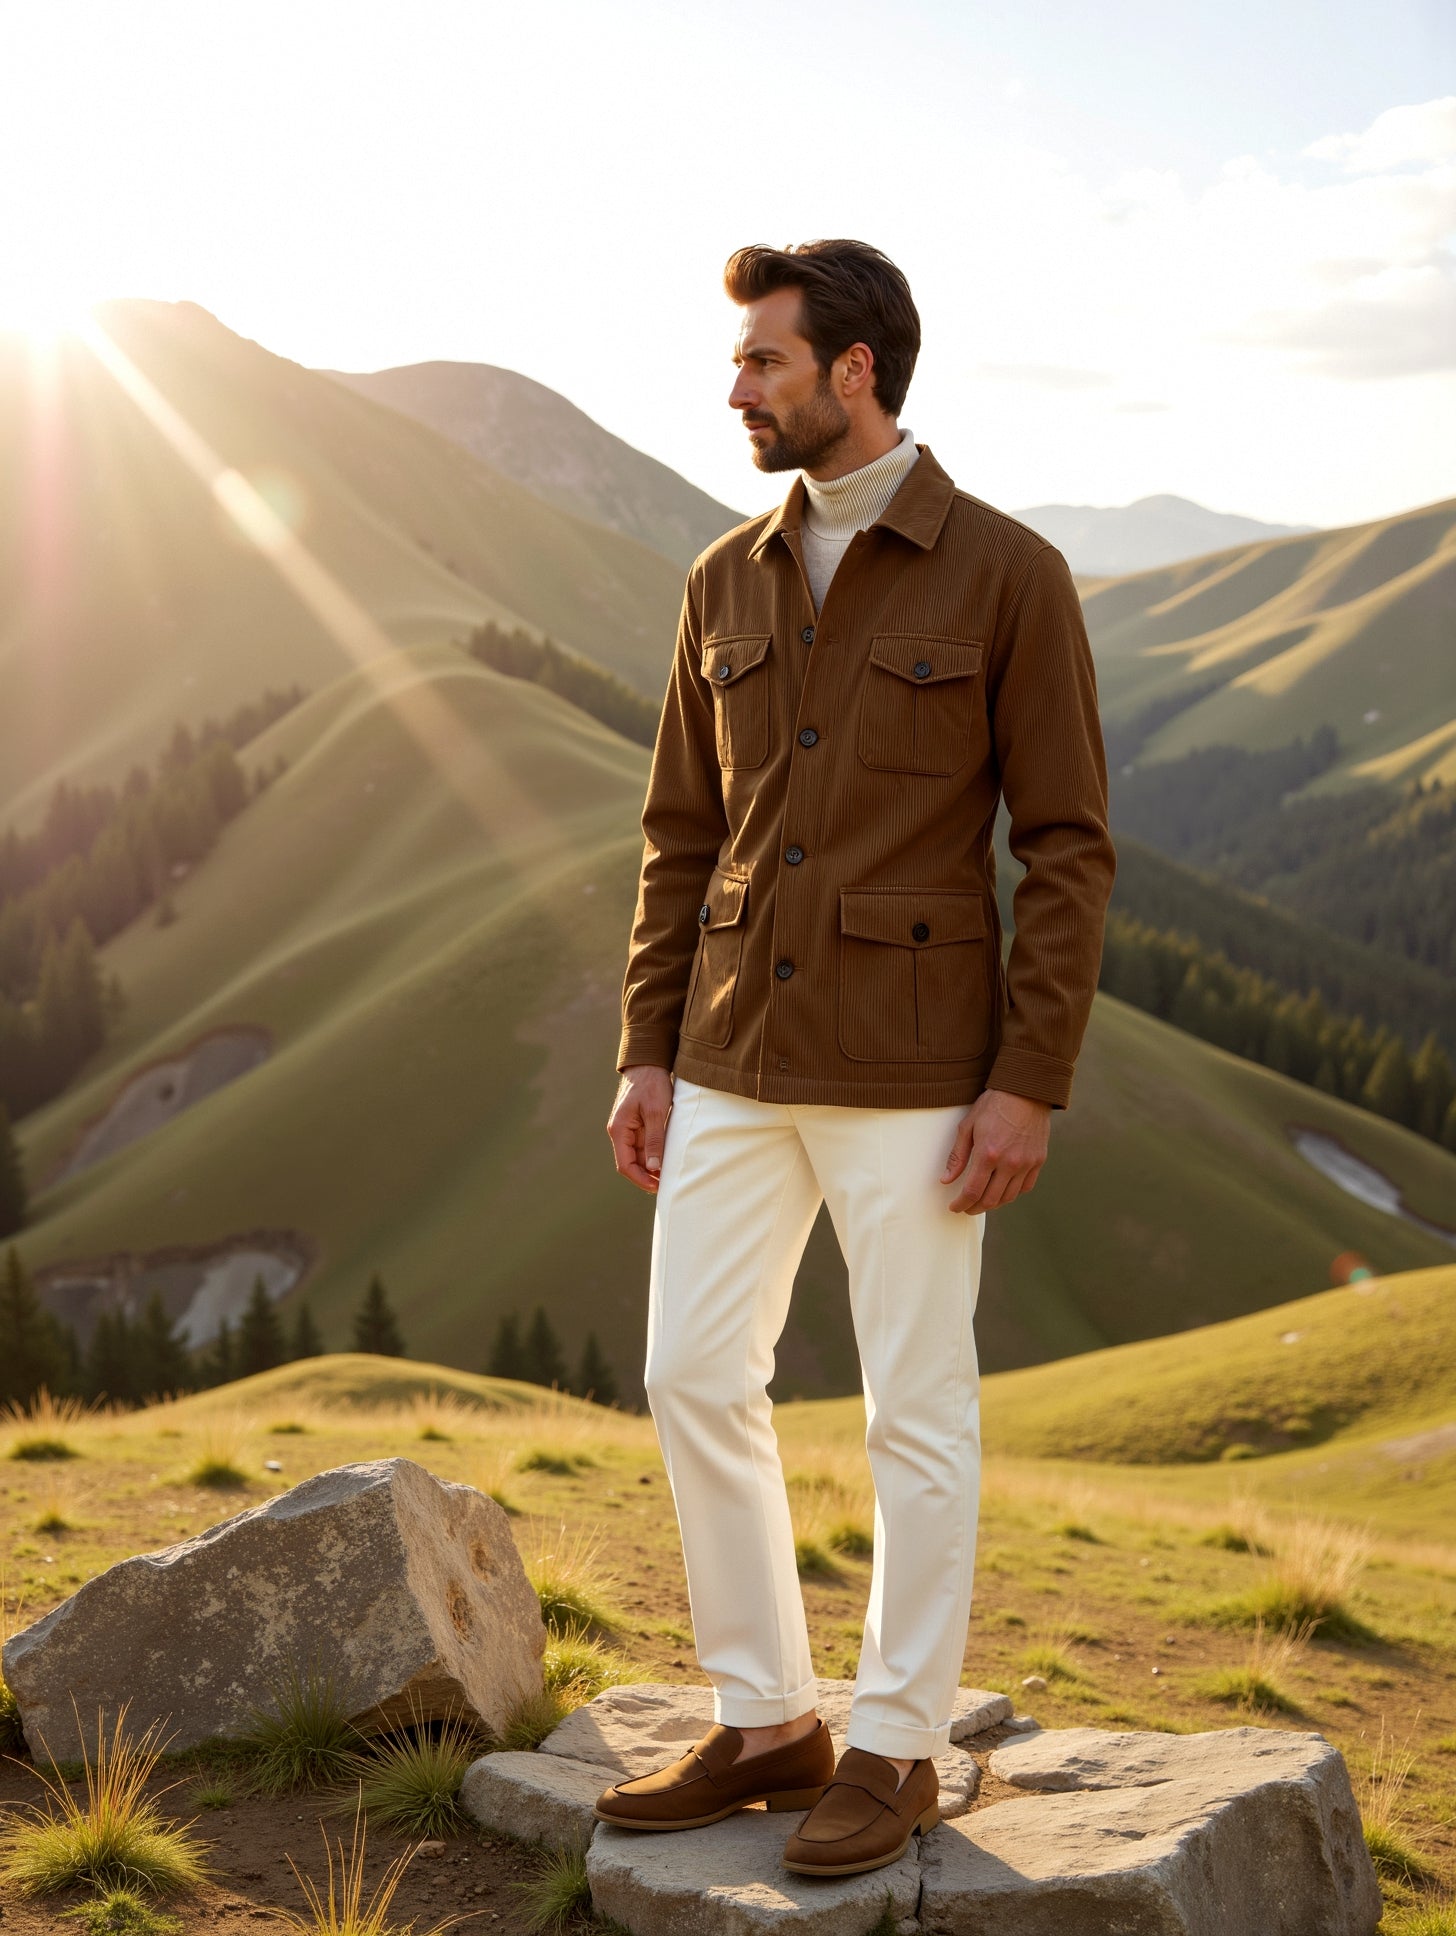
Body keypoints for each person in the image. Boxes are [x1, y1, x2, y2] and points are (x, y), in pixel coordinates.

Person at [600, 238, 1116, 1878]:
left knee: (917, 1409)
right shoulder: (721, 581)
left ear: (856, 372)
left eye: (762, 361)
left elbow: (1071, 848)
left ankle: (897, 1745)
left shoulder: (1008, 575)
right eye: (742, 360)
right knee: (694, 1373)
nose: (736, 388)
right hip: (734, 1053)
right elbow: (680, 837)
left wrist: (1028, 1078)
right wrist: (645, 1051)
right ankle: (769, 1721)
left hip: (920, 1073)